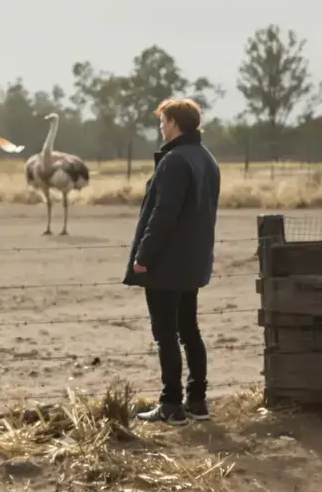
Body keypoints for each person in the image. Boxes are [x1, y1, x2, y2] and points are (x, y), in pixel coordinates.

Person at [124, 97, 220, 425]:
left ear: (175, 123)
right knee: (189, 329)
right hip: (193, 260)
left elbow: (163, 214)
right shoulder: (207, 159)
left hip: (167, 263)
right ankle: (197, 400)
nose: (161, 127)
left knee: (165, 333)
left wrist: (143, 256)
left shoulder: (175, 161)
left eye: (163, 121)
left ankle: (170, 404)